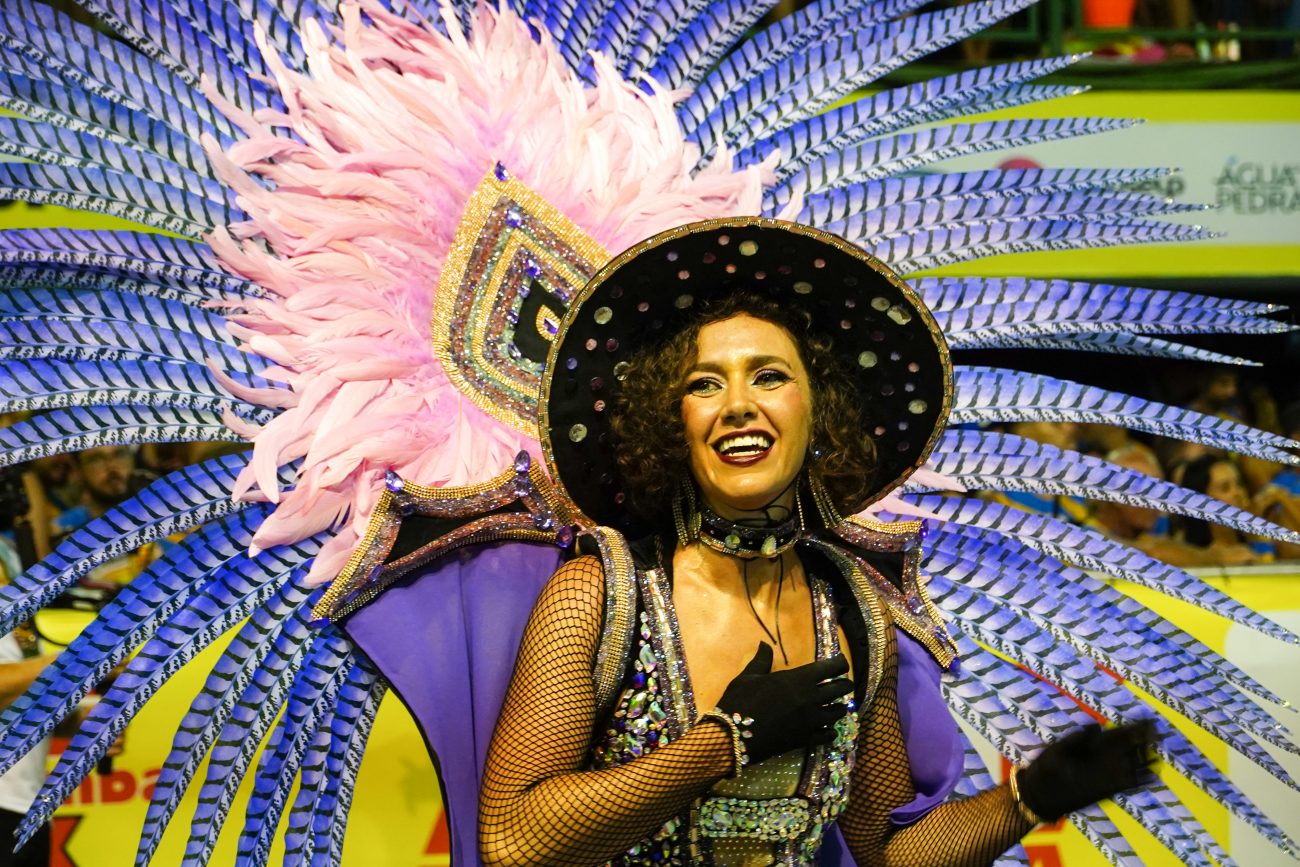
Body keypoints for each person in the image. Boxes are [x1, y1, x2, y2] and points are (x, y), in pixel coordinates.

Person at [477, 220, 1154, 866]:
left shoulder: (855, 611)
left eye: (769, 376)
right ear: (671, 422)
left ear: (818, 410)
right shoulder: (602, 594)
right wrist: (725, 741)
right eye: (704, 383)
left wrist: (1027, 798)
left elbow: (889, 852)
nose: (739, 403)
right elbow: (511, 840)